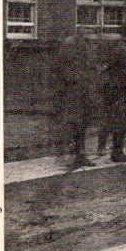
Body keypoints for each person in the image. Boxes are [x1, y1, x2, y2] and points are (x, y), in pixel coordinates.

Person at [51, 35, 99, 170]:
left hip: (82, 96)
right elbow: (64, 79)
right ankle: (73, 156)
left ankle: (80, 154)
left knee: (81, 124)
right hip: (71, 97)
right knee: (73, 125)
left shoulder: (83, 61)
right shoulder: (65, 64)